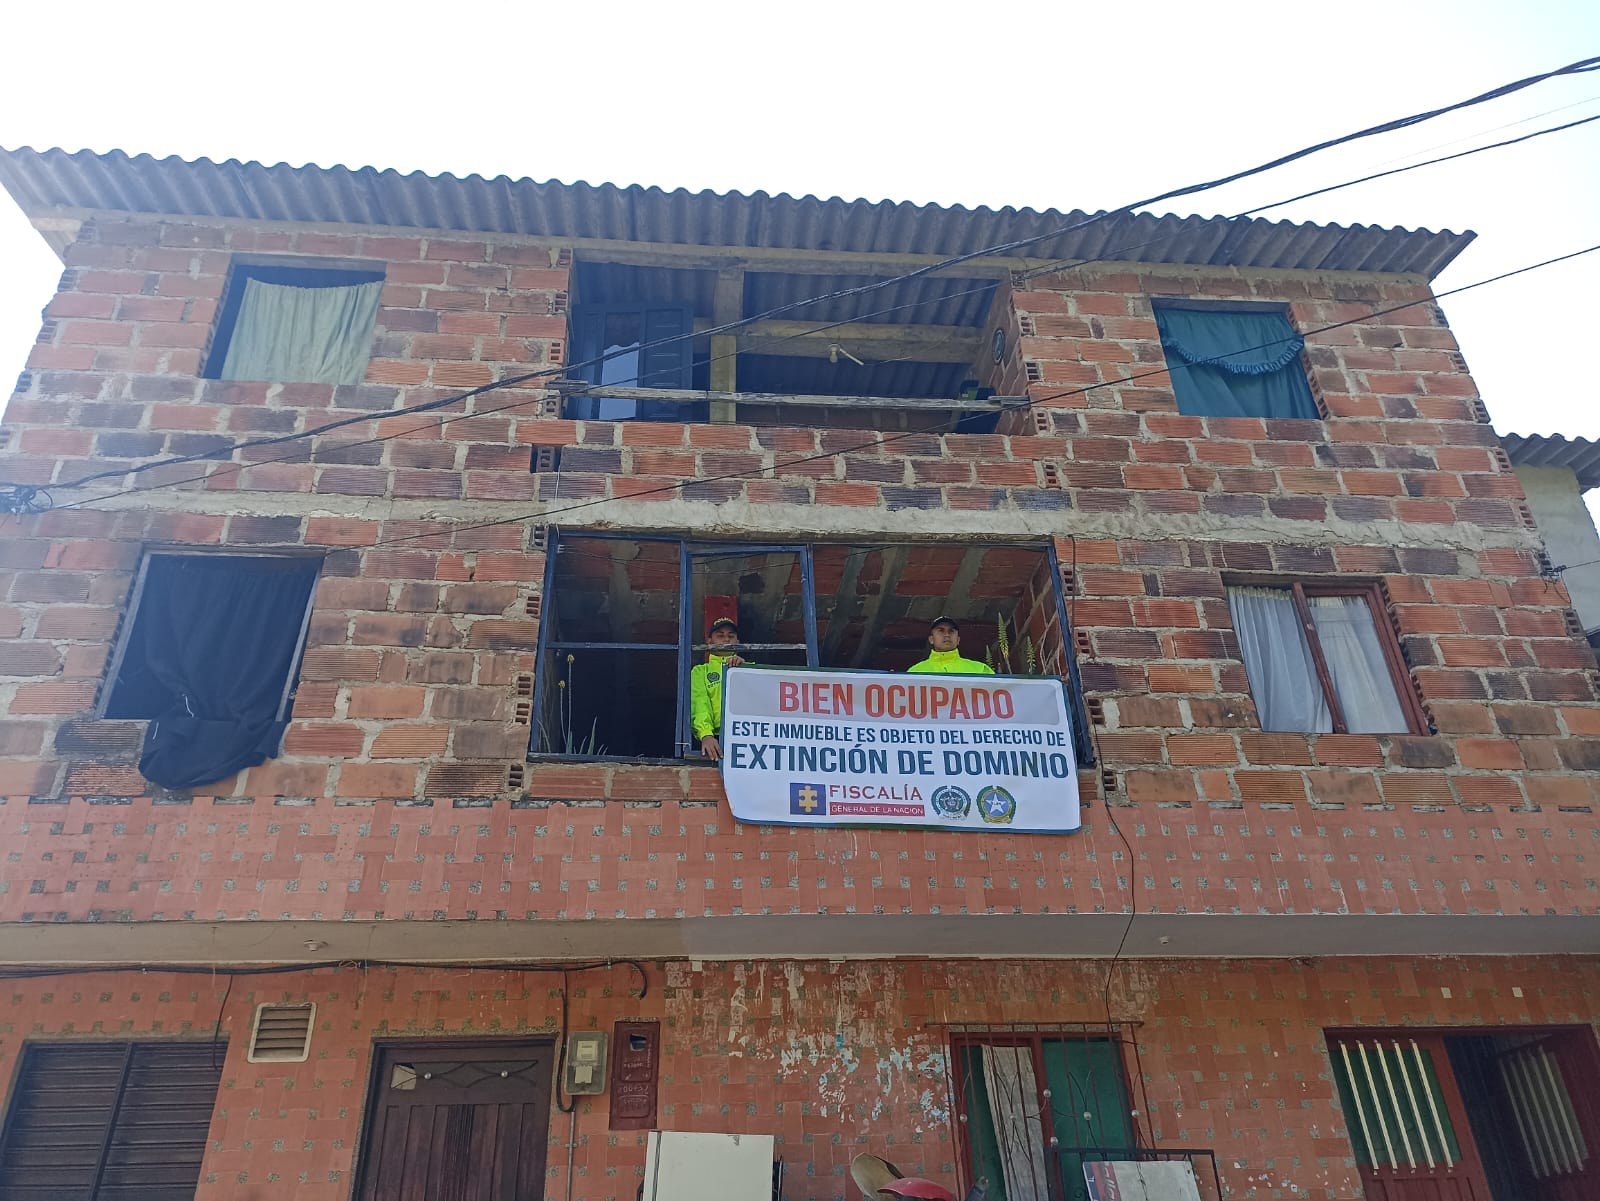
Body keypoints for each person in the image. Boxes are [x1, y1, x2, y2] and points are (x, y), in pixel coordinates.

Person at [691, 618, 747, 760]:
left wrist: (746, 669)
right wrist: (706, 734)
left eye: (731, 636)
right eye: (720, 636)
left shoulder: (749, 667)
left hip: (748, 735)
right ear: (710, 641)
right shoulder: (701, 671)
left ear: (737, 641)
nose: (726, 640)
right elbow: (700, 703)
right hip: (715, 738)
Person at [907, 616, 994, 675]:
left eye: (951, 631)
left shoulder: (980, 670)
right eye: (941, 630)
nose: (947, 635)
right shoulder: (915, 672)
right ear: (931, 639)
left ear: (958, 640)